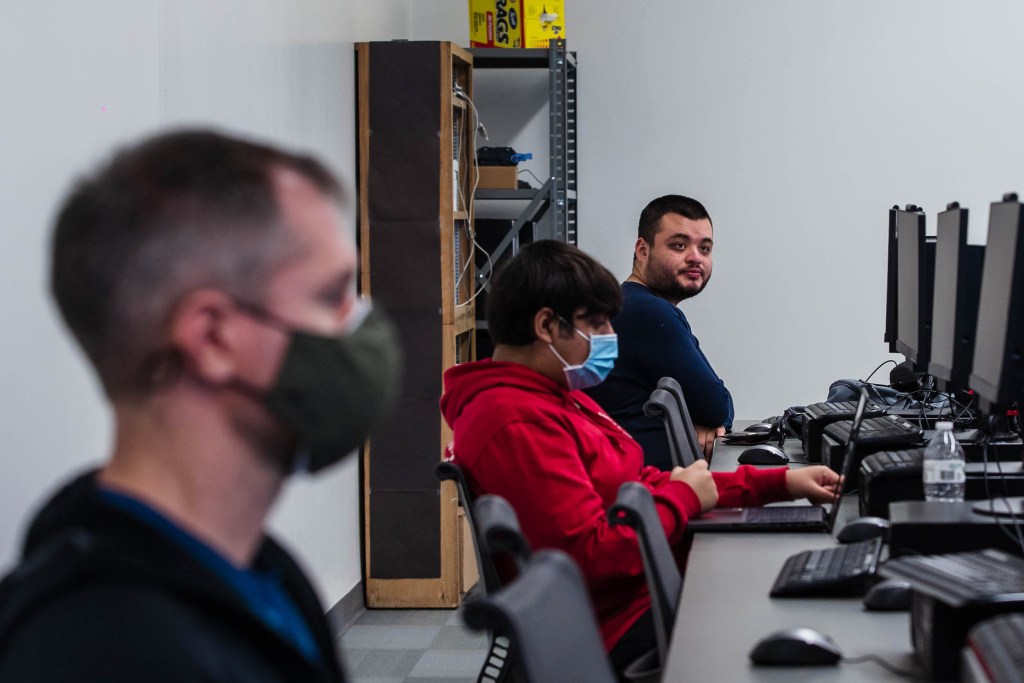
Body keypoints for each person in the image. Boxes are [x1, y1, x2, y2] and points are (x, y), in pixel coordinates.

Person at [0, 130, 401, 682]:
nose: (360, 326)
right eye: (332, 296)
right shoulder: (103, 656)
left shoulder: (260, 572)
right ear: (212, 339)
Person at [439, 240, 840, 679]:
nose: (609, 338)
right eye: (596, 324)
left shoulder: (555, 397)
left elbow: (641, 483)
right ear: (547, 326)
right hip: (614, 624)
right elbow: (590, 558)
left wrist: (780, 484)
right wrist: (684, 497)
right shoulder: (515, 421)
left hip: (637, 596)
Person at [586, 194, 732, 470]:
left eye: (705, 248)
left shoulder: (633, 303)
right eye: (679, 245)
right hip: (642, 483)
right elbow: (717, 405)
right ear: (643, 250)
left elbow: (714, 406)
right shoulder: (645, 311)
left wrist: (712, 419)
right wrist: (711, 419)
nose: (695, 258)